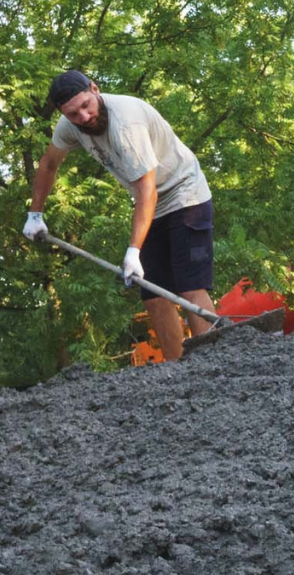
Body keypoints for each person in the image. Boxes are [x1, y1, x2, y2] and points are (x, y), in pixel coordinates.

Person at [23, 70, 215, 362]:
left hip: (185, 194)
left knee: (189, 285)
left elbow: (147, 190)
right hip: (150, 202)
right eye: (73, 114)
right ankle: (180, 370)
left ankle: (216, 361)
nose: (84, 117)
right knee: (153, 293)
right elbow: (49, 164)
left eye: (87, 105)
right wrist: (35, 213)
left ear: (95, 89)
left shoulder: (126, 123)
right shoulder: (69, 126)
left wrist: (133, 250)